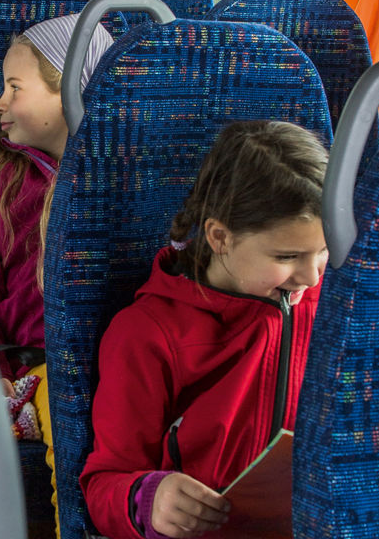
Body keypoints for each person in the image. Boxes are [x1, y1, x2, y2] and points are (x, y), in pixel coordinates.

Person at [80, 121, 329, 539]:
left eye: (323, 251)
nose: (311, 276)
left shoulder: (336, 308)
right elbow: (105, 483)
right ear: (219, 237)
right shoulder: (147, 334)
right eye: (287, 256)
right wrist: (148, 500)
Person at [0, 13, 116, 525]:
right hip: (40, 365)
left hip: (122, 361)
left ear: (70, 92)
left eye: (14, 88)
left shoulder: (124, 178)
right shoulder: (2, 179)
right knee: (70, 431)